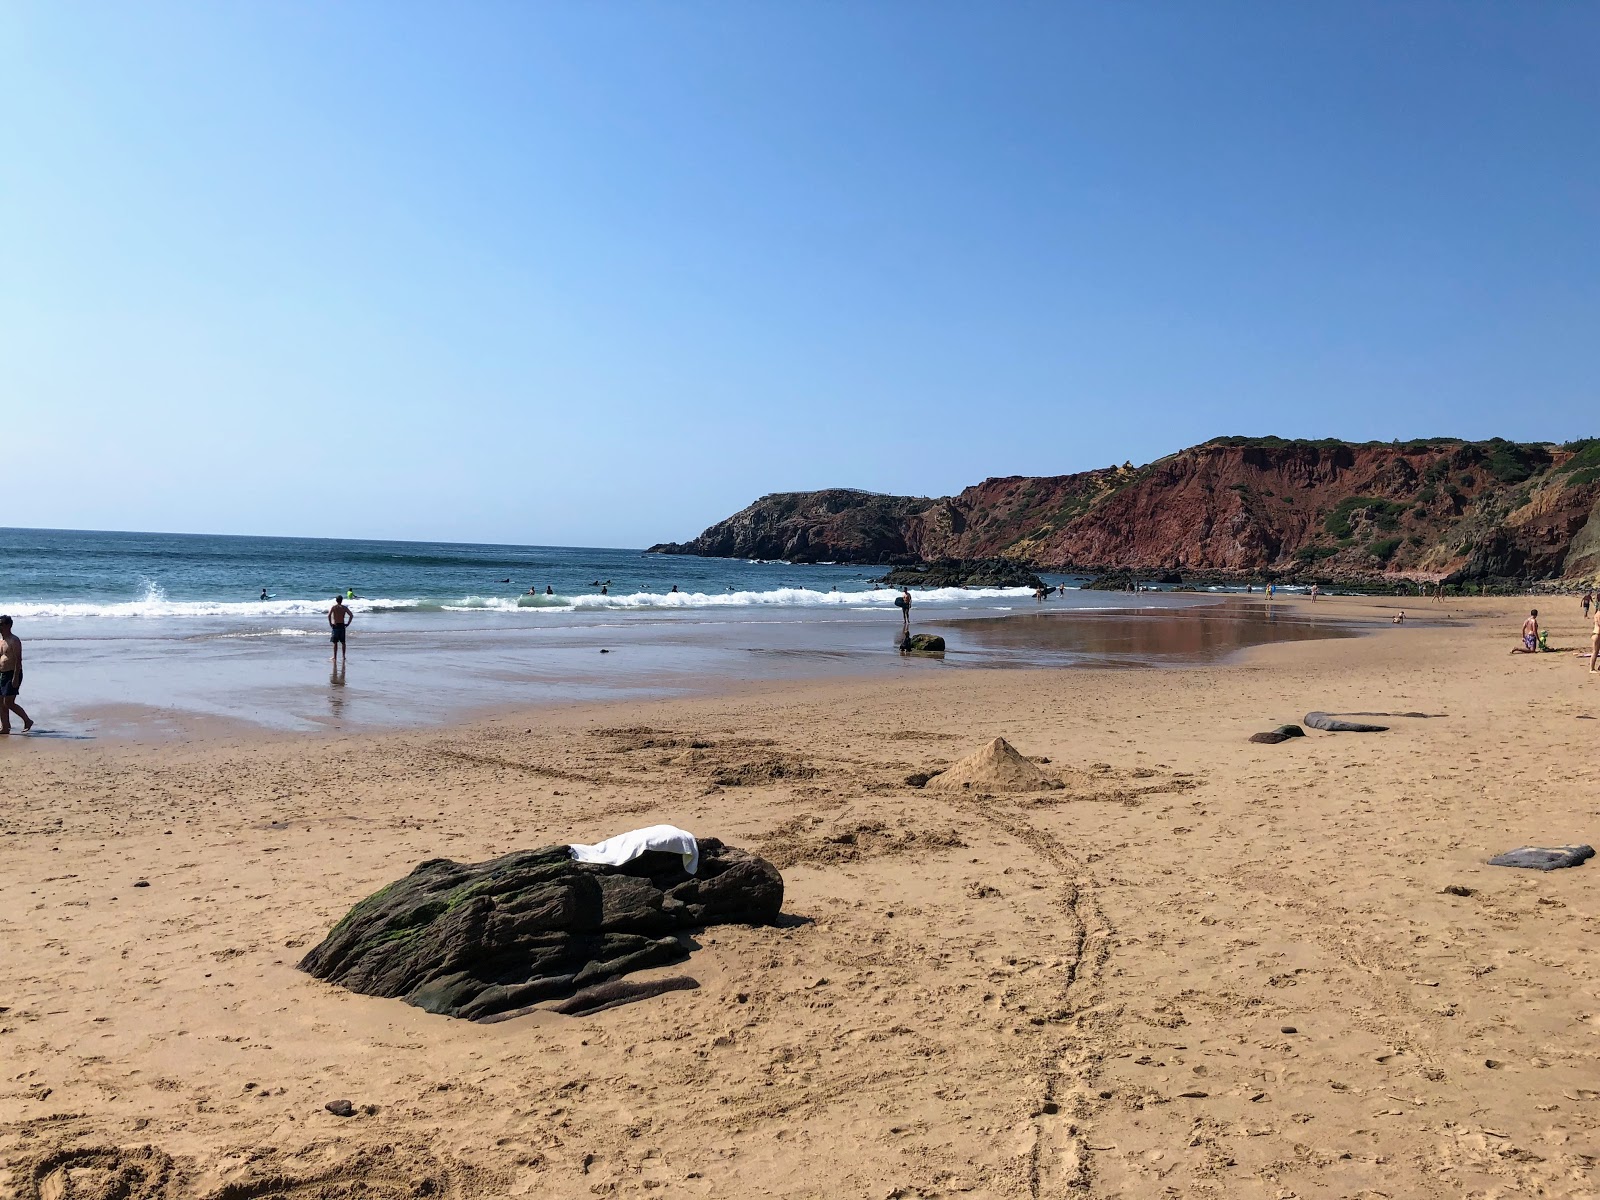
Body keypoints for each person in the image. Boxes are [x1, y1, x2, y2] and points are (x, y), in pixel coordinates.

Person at [0, 616, 33, 734]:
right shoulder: (1, 641)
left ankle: (27, 720)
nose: (0, 627)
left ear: (8, 625)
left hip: (12, 674)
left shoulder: (14, 640)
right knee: (0, 701)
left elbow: (18, 660)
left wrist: (15, 677)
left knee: (8, 702)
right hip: (2, 674)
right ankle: (5, 726)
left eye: (1, 624)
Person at [328, 595, 353, 662]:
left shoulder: (334, 607)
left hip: (335, 625)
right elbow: (351, 615)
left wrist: (330, 623)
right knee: (343, 642)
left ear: (336, 600)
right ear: (342, 600)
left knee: (335, 642)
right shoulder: (344, 608)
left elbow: (329, 615)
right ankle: (343, 656)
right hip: (342, 625)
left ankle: (335, 657)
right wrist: (348, 623)